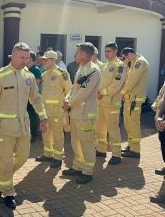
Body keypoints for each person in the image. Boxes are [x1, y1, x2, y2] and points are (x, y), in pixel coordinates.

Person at [0, 42, 47, 209]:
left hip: (23, 127)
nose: (25, 61)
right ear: (13, 55)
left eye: (27, 58)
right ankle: (8, 192)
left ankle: (0, 175)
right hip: (4, 128)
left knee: (23, 157)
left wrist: (43, 117)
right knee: (5, 161)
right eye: (22, 57)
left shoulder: (29, 76)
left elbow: (36, 99)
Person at [62, 42, 101, 184]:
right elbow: (74, 88)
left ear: (84, 54)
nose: (75, 54)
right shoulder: (81, 68)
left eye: (77, 52)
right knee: (75, 142)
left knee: (87, 143)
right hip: (76, 113)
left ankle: (87, 172)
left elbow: (85, 93)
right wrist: (67, 97)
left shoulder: (94, 71)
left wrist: (69, 103)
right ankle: (78, 166)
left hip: (86, 115)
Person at [35, 50, 72, 168]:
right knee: (45, 133)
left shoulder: (62, 73)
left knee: (57, 135)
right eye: (43, 59)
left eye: (46, 59)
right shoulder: (45, 74)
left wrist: (66, 105)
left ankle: (58, 157)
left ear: (53, 60)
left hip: (57, 111)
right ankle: (48, 154)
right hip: (46, 110)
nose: (43, 61)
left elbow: (69, 90)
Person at [94, 43, 126, 165]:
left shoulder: (120, 66)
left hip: (112, 103)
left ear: (115, 51)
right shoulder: (104, 65)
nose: (107, 53)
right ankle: (101, 149)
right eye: (105, 51)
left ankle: (116, 154)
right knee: (99, 128)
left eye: (109, 51)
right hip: (100, 102)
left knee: (113, 129)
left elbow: (116, 84)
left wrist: (101, 92)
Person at [120, 47, 149, 158]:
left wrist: (122, 92)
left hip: (134, 99)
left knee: (133, 124)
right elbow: (128, 76)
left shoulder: (139, 62)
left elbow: (132, 80)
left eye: (126, 57)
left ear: (131, 54)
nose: (125, 59)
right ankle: (131, 146)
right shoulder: (134, 62)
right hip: (130, 98)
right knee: (128, 123)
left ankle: (135, 150)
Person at [26, 51, 42, 143]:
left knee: (33, 116)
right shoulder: (26, 69)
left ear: (31, 59)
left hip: (32, 97)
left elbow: (36, 84)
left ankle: (34, 136)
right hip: (26, 97)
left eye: (27, 57)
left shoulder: (35, 70)